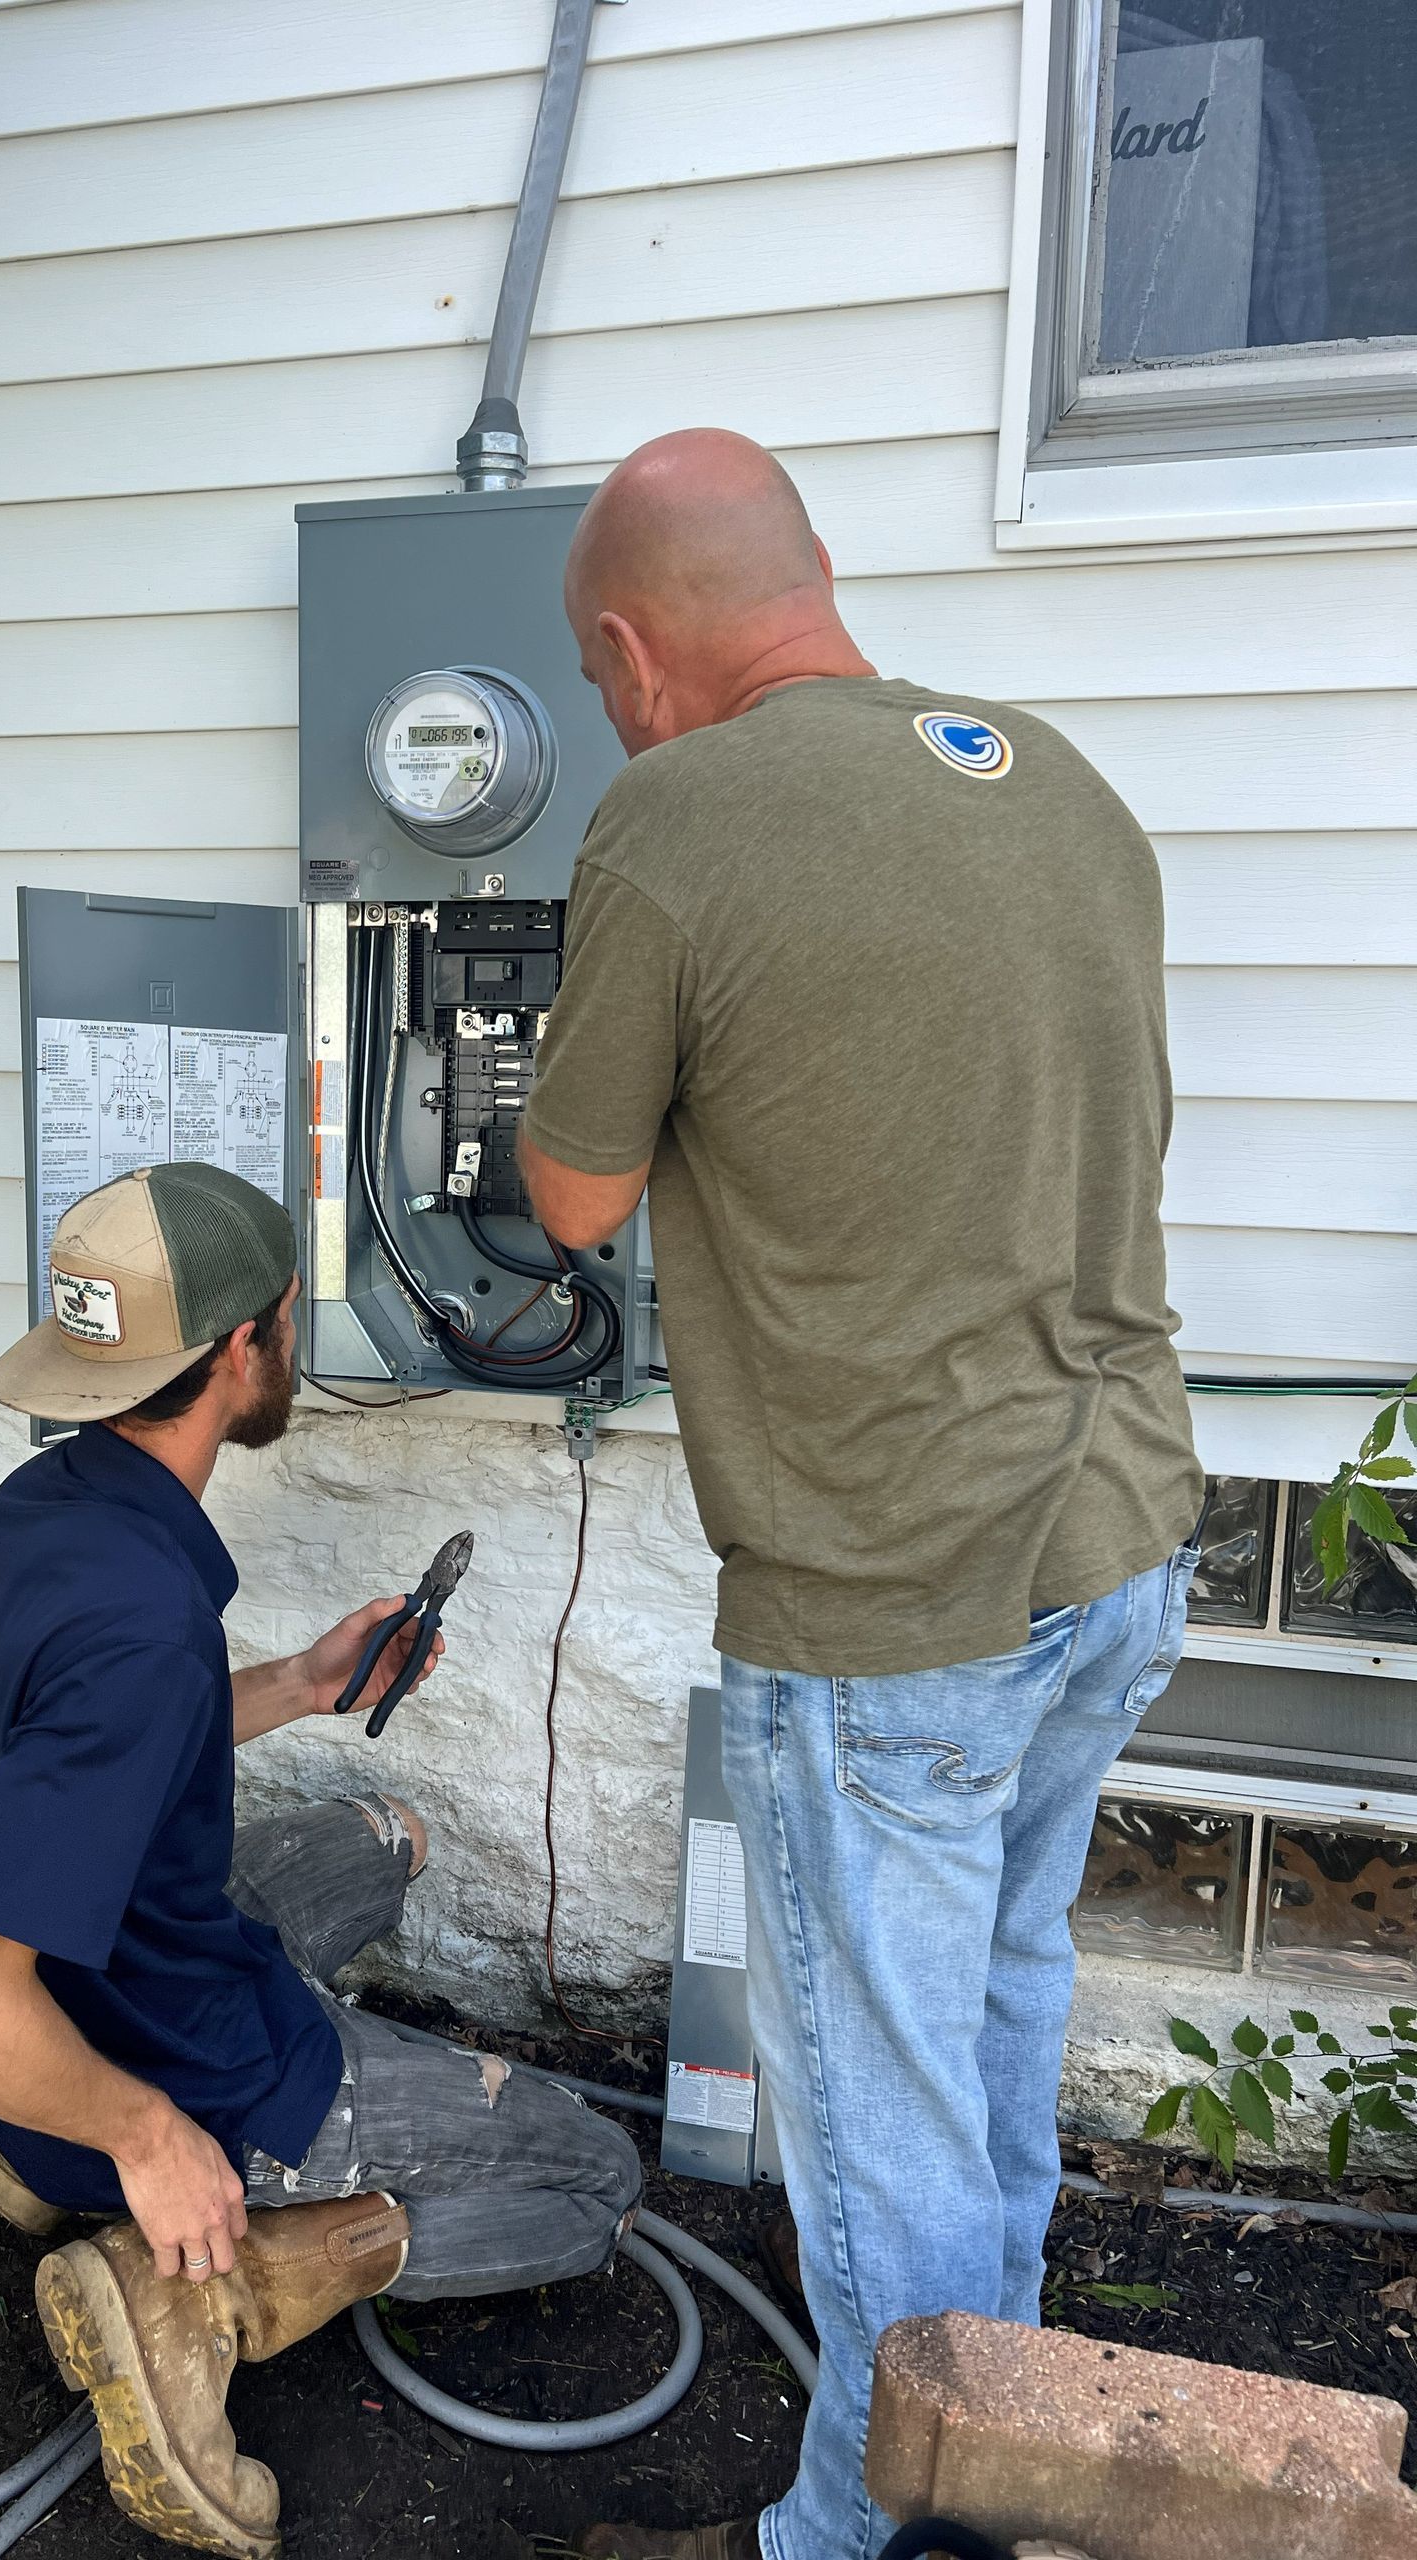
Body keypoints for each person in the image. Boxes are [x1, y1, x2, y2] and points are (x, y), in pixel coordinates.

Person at [518, 431, 1204, 2560]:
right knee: (993, 2007)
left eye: (607, 675)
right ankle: (977, 2458)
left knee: (880, 2116)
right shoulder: (1060, 784)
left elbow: (569, 1192)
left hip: (894, 1589)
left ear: (633, 653)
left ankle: (890, 2534)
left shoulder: (676, 810)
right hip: (1117, 1535)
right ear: (814, 574)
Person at [0, 1161, 641, 2560]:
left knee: (383, 1838)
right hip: (187, 2067)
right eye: (288, 1321)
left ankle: (48, 2150)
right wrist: (151, 2136)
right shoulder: (134, 1625)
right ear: (248, 1345)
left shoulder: (55, 1512)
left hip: (96, 1972)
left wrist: (298, 1682)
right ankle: (208, 2282)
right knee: (597, 2185)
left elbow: (109, 1742)